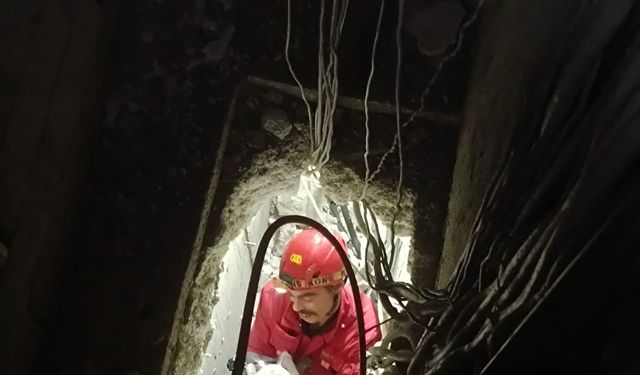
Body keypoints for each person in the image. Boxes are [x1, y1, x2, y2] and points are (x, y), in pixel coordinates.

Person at [247, 227, 382, 374]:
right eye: (291, 294)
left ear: (337, 286)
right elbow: (255, 357)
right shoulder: (274, 299)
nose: (296, 307)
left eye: (307, 298)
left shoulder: (362, 329)